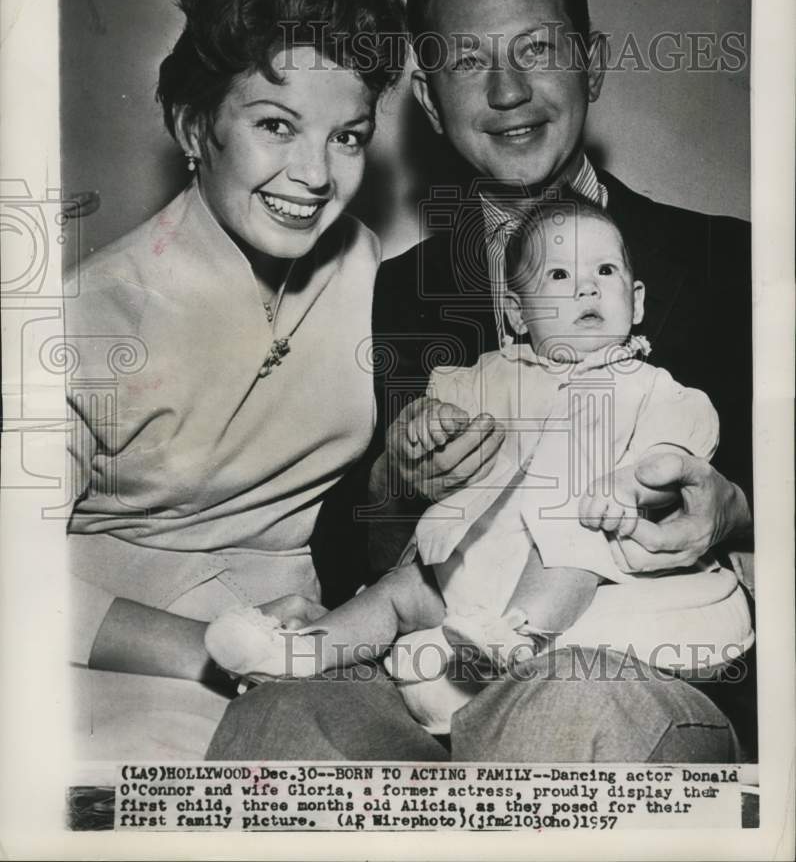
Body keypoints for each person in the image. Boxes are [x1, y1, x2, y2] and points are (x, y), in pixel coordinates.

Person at [208, 0, 754, 763]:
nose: (508, 91)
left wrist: (731, 510)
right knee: (281, 723)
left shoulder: (733, 262)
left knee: (572, 715)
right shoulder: (385, 290)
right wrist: (397, 482)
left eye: (537, 49)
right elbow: (342, 545)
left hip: (636, 657)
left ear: (593, 62)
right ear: (429, 99)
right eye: (467, 61)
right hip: (434, 653)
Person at [203, 197, 752, 741]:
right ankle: (295, 652)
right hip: (472, 570)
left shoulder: (650, 386)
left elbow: (673, 450)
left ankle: (516, 637)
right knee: (398, 590)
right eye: (559, 274)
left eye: (604, 271)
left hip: (582, 563)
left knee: (571, 536)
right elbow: (431, 419)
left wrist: (629, 483)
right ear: (517, 312)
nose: (586, 287)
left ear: (634, 302)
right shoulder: (488, 375)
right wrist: (424, 430)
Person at [65, 0, 406, 760]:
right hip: (116, 662)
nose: (315, 175)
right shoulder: (86, 316)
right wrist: (214, 650)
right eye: (275, 125)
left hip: (306, 658)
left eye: (346, 137)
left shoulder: (363, 266)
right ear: (194, 127)